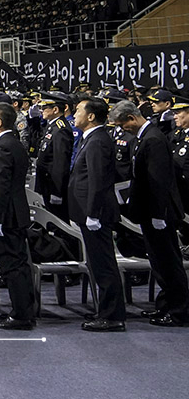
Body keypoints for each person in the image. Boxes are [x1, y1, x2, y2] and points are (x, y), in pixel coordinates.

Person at [110, 100, 187, 326]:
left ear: (132, 118)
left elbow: (159, 181)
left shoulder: (153, 139)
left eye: (123, 125)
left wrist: (159, 214)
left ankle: (179, 310)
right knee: (158, 262)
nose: (122, 129)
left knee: (169, 262)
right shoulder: (145, 136)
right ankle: (165, 305)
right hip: (149, 211)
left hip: (159, 212)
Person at [69, 96, 126, 331]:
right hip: (89, 213)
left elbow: (98, 180)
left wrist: (93, 213)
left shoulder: (98, 141)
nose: (74, 115)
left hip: (97, 214)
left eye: (79, 111)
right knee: (97, 263)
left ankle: (112, 316)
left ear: (91, 116)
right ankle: (105, 309)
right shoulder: (89, 138)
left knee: (104, 265)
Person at [0, 102, 36, 330]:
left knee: (13, 266)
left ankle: (21, 315)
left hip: (6, 216)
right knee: (18, 265)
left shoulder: (4, 146)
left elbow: (0, 186)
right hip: (14, 213)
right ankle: (24, 311)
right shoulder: (13, 143)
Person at [34, 92, 73, 216]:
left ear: (55, 109)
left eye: (44, 108)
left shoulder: (61, 129)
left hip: (53, 185)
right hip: (46, 183)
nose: (41, 111)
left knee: (58, 221)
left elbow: (61, 162)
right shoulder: (52, 126)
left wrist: (57, 191)